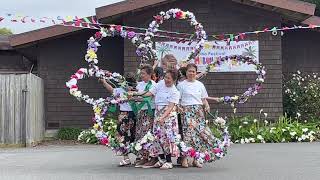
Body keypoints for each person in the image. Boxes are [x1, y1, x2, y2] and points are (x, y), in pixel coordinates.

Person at [133, 69, 181, 170]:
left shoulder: (175, 92)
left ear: (174, 80)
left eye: (169, 78)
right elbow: (149, 93)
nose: (166, 80)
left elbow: (170, 107)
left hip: (168, 116)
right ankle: (161, 159)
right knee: (157, 137)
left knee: (167, 138)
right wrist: (135, 94)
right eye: (165, 77)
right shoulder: (160, 84)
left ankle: (169, 161)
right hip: (158, 112)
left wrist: (163, 117)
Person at [177, 63, 212, 168]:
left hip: (198, 111)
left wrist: (207, 106)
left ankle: (196, 159)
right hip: (186, 111)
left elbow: (203, 99)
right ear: (186, 72)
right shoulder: (181, 85)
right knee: (188, 135)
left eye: (193, 71)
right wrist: (179, 108)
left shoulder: (200, 85)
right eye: (189, 71)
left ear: (196, 73)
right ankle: (184, 158)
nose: (191, 73)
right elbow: (177, 100)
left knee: (199, 135)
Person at [99, 73, 137, 166]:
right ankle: (139, 157)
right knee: (134, 135)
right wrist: (104, 82)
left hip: (124, 114)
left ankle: (127, 158)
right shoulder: (137, 89)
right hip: (135, 114)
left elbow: (111, 90)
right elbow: (112, 90)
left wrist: (104, 82)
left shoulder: (123, 90)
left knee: (123, 135)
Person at [133, 65, 157, 167]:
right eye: (141, 73)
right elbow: (137, 95)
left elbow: (147, 97)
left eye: (143, 73)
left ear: (149, 74)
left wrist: (135, 96)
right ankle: (144, 156)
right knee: (140, 134)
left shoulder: (153, 85)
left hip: (150, 112)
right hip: (141, 112)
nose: (141, 75)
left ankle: (152, 157)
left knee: (148, 134)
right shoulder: (139, 85)